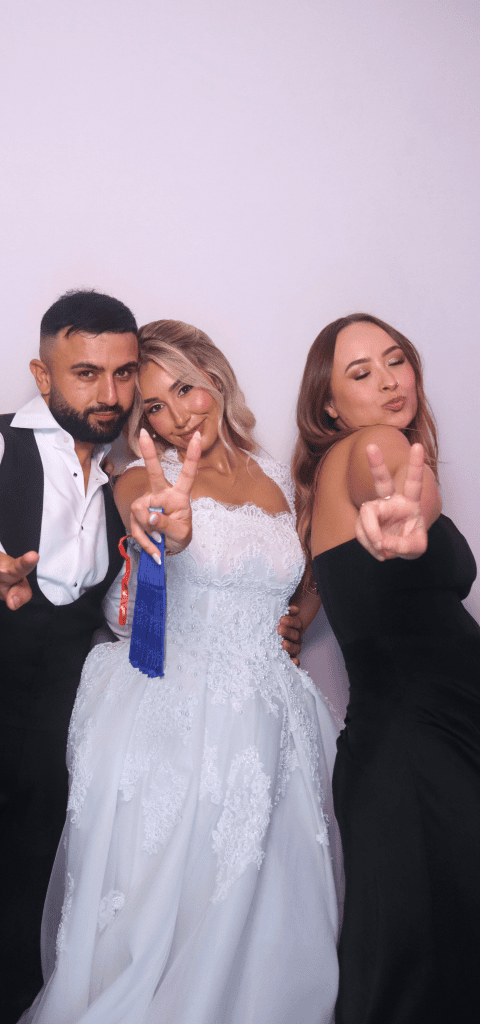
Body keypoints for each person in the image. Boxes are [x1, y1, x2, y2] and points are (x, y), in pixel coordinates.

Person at [0, 294, 309, 1024]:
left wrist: (281, 610)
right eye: (86, 374)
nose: (109, 395)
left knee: (28, 955)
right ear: (42, 376)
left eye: (122, 377)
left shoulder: (148, 475)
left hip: (56, 748)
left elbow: (175, 561)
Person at [22, 320, 340, 1024]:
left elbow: (290, 579)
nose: (175, 415)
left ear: (216, 378)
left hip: (273, 723)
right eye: (154, 407)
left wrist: (297, 614)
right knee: (170, 924)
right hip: (181, 721)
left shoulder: (269, 472)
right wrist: (164, 520)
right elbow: (145, 512)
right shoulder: (143, 471)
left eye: (186, 390)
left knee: (269, 926)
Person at [292, 312, 480, 1024]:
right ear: (330, 406)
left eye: (393, 360)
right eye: (359, 372)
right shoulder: (373, 448)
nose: (387, 380)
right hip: (419, 753)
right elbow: (408, 498)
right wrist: (412, 509)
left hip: (428, 745)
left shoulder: (341, 472)